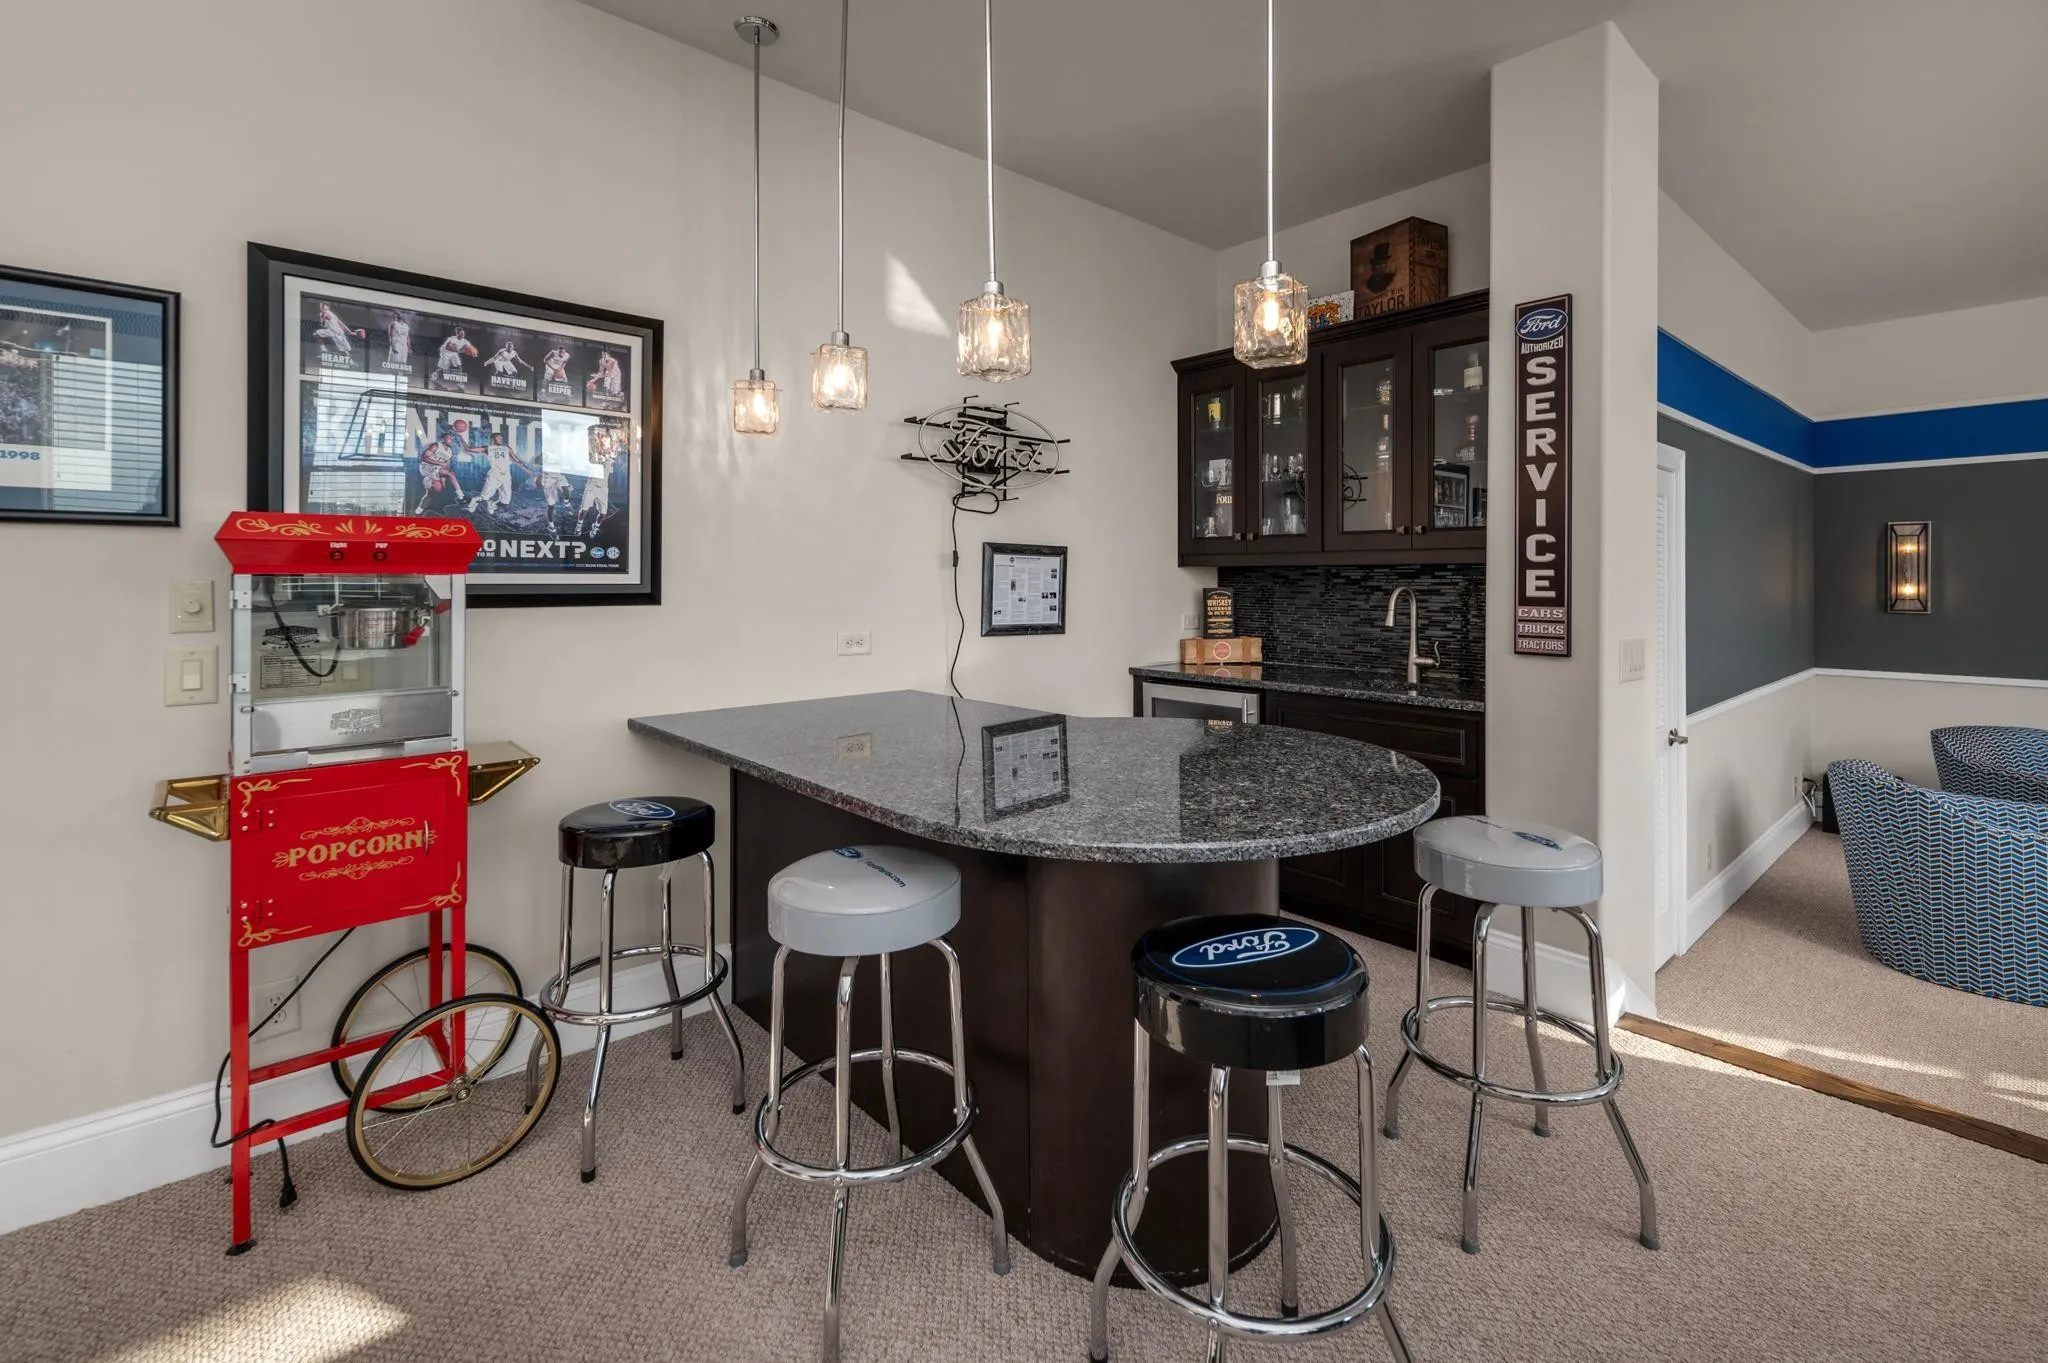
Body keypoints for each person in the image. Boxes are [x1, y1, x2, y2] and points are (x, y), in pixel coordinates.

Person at [466, 431, 538, 514]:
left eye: (501, 438)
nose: (501, 439)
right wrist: (460, 437)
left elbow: (517, 460)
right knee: (484, 497)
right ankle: (474, 501)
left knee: (505, 502)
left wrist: (527, 469)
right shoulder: (488, 448)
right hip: (495, 474)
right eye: (498, 438)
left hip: (506, 475)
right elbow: (468, 449)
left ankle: (493, 504)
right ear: (493, 439)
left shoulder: (507, 448)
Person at [412, 433, 464, 514]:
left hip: (436, 470)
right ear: (443, 440)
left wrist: (443, 480)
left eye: (452, 438)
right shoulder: (436, 446)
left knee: (433, 492)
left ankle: (419, 510)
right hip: (426, 467)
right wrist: (439, 463)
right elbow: (424, 457)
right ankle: (462, 497)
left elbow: (445, 468)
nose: (451, 440)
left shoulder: (450, 453)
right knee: (451, 474)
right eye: (449, 438)